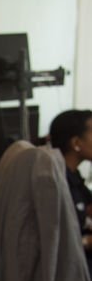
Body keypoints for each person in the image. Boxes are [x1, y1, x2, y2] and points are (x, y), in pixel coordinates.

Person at [48, 108, 92, 267]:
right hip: (76, 269)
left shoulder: (74, 177)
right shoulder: (57, 184)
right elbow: (55, 247)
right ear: (76, 143)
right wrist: (87, 242)